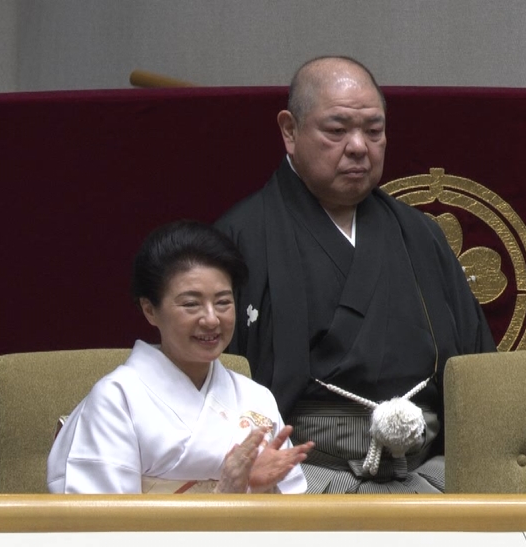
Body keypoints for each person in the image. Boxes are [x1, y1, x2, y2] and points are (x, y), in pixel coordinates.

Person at [216, 56, 494, 494]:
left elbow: (476, 368)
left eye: (374, 130)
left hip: (427, 474)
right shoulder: (242, 238)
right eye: (337, 129)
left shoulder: (420, 234)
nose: (359, 146)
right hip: (305, 478)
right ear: (290, 130)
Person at [48, 221, 312, 494]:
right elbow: (103, 515)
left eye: (223, 302)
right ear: (150, 310)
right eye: (191, 304)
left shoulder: (256, 398)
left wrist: (261, 490)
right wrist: (228, 493)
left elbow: (291, 511)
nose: (211, 319)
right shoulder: (117, 400)